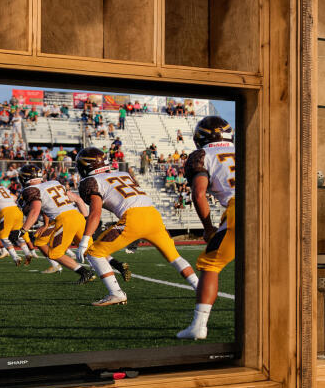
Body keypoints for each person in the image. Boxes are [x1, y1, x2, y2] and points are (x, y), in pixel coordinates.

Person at [72, 146, 194, 305]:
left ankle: (116, 293)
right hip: (153, 215)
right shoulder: (123, 174)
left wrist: (84, 239)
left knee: (94, 253)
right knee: (174, 257)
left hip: (133, 218)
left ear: (85, 166)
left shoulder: (91, 181)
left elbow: (95, 213)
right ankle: (199, 287)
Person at [178, 114, 235, 341]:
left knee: (210, 263)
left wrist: (208, 227)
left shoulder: (202, 155)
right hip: (278, 206)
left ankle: (198, 326)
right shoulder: (250, 148)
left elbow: (199, 193)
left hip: (242, 208)